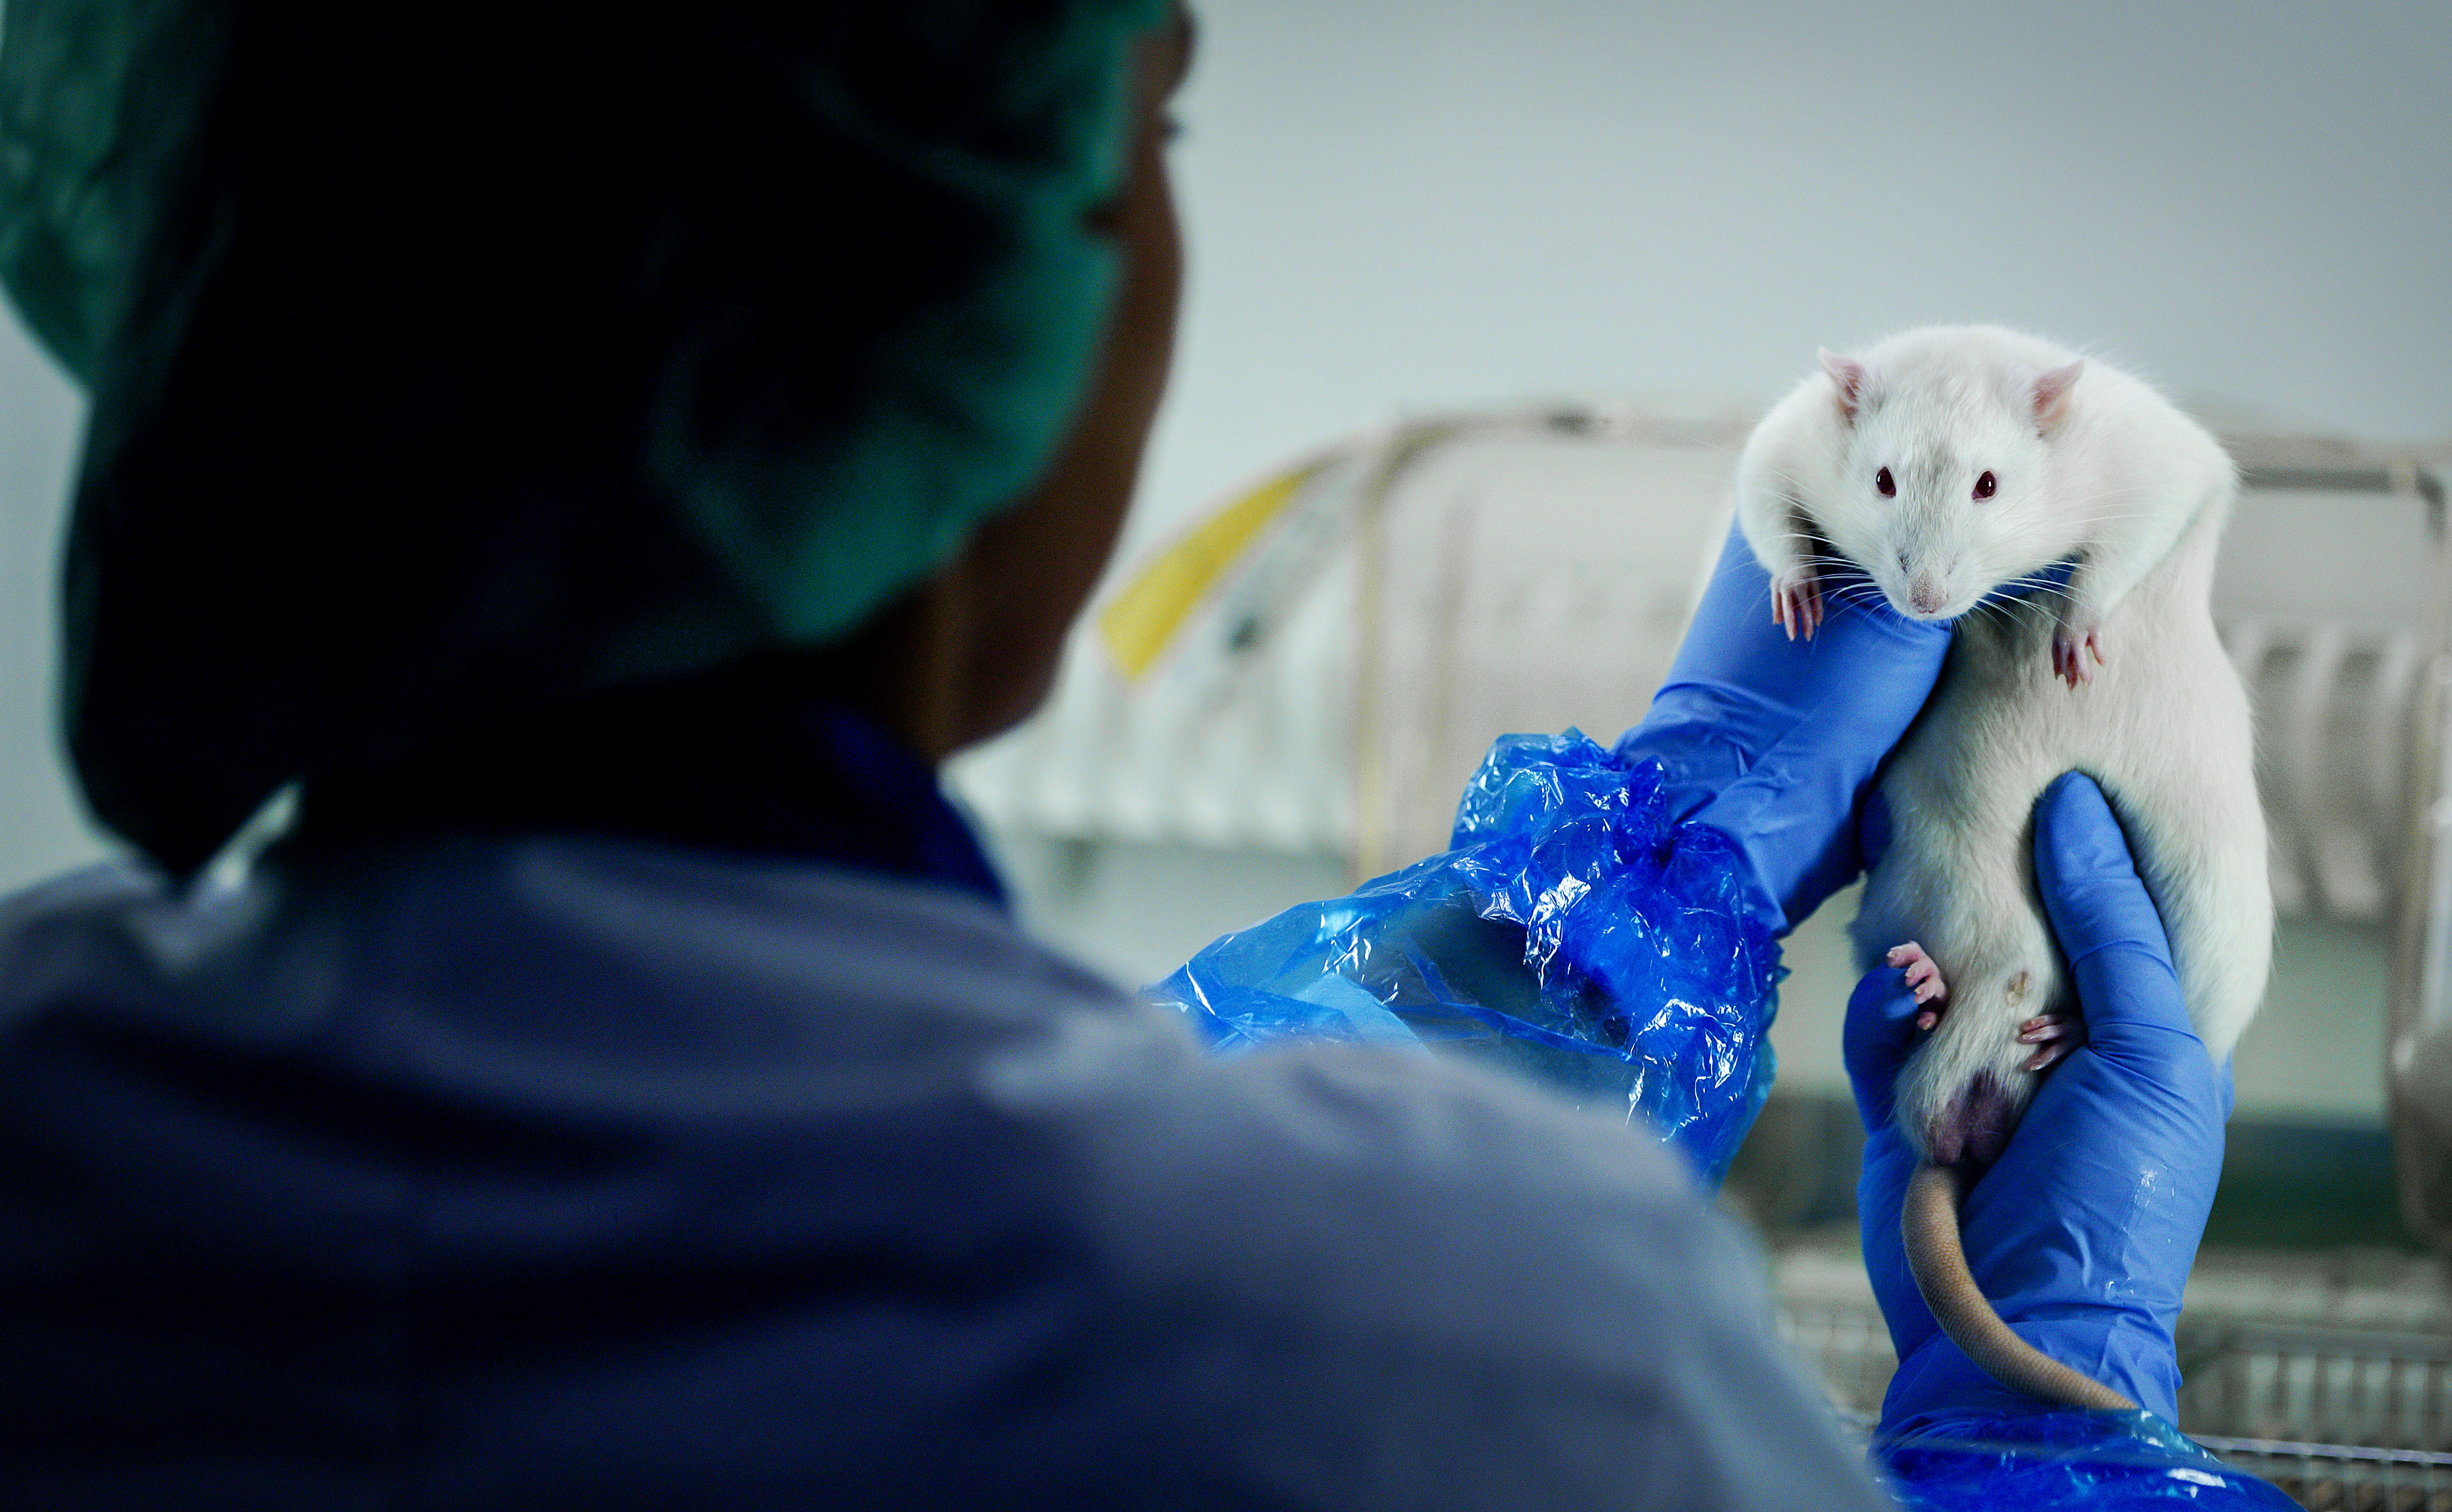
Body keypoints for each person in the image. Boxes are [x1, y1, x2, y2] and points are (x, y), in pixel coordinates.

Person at [0, 1, 2256, 1505]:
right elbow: (1212, 1215)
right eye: (1144, 119)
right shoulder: (1499, 1360)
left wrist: (1610, 908)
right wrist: (2038, 1394)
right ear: (970, 303)